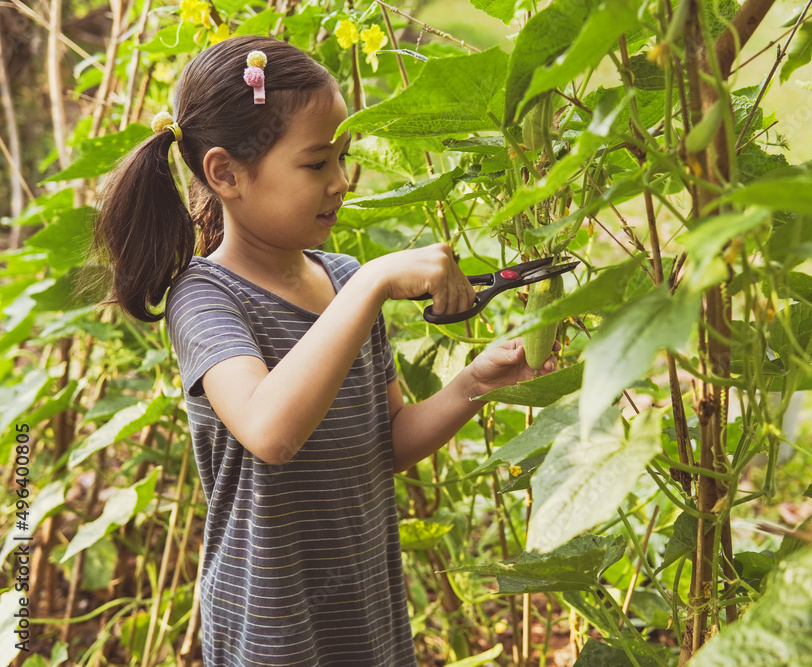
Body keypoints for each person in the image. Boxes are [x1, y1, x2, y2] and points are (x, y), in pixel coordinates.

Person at [92, 34, 555, 666]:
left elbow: (387, 440)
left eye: (342, 156)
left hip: (364, 607)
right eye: (316, 164)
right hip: (271, 625)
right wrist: (372, 284)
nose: (341, 181)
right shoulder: (205, 299)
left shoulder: (339, 279)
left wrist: (474, 383)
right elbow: (268, 431)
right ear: (224, 174)